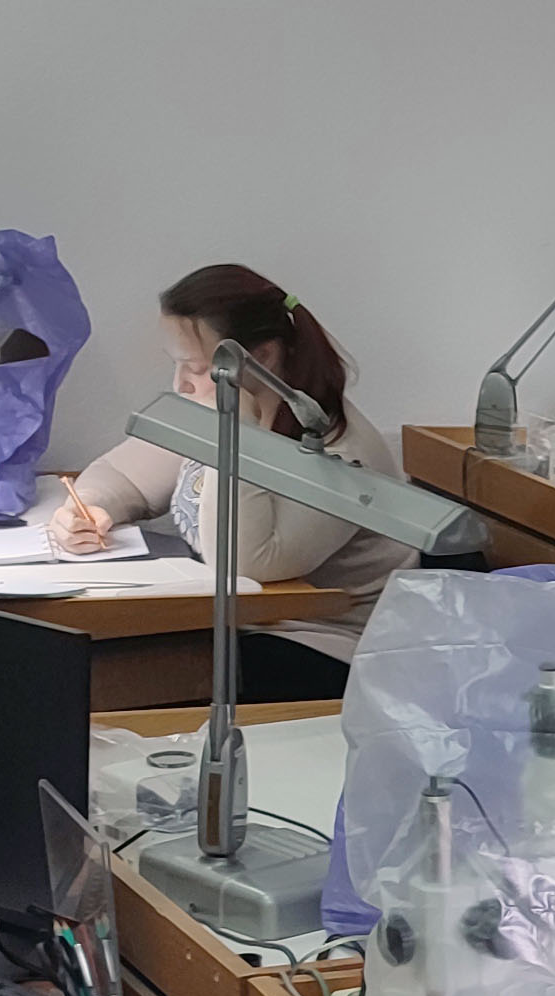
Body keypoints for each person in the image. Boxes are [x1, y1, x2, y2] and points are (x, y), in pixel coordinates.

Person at [49, 264, 412, 697]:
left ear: (263, 357)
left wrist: (236, 428)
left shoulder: (340, 450)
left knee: (94, 681)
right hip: (235, 628)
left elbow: (246, 564)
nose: (180, 385)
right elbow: (121, 474)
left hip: (323, 649)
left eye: (195, 367)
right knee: (66, 665)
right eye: (176, 364)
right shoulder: (213, 407)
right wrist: (89, 507)